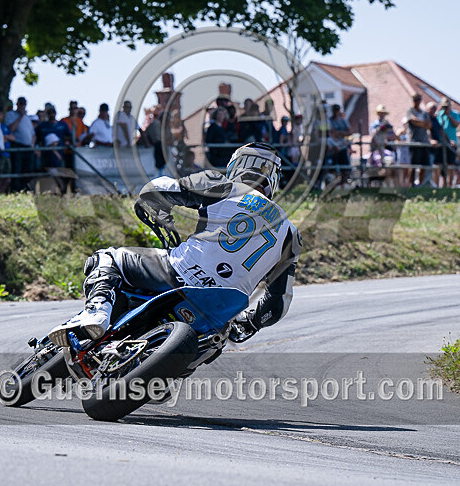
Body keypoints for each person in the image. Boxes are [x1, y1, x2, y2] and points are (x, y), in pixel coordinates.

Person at [47, 142, 302, 347]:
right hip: (223, 307)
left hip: (179, 273)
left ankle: (97, 311)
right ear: (274, 179)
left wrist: (154, 204)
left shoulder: (224, 185)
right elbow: (278, 303)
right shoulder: (291, 233)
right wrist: (252, 322)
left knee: (108, 257)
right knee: (217, 341)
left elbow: (163, 188)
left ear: (236, 166)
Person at [5, 96, 37, 190]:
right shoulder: (10, 115)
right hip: (17, 146)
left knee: (28, 170)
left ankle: (26, 189)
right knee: (17, 169)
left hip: (28, 148)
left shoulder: (27, 118)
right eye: (21, 103)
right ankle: (16, 189)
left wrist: (32, 144)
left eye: (24, 104)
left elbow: (33, 134)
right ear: (17, 104)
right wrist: (20, 116)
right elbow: (11, 129)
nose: (23, 106)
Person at [406, 93, 432, 186]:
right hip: (414, 142)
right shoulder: (410, 111)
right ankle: (411, 185)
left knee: (423, 165)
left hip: (424, 142)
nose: (417, 101)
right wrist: (423, 123)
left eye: (419, 99)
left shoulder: (424, 113)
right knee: (413, 165)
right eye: (416, 99)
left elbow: (429, 125)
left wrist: (420, 123)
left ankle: (421, 185)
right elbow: (413, 121)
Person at [436, 98, 460, 187]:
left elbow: (456, 124)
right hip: (441, 143)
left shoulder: (455, 114)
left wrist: (449, 116)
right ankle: (441, 184)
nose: (446, 108)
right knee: (440, 164)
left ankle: (449, 184)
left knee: (450, 164)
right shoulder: (439, 114)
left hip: (452, 143)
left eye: (447, 106)